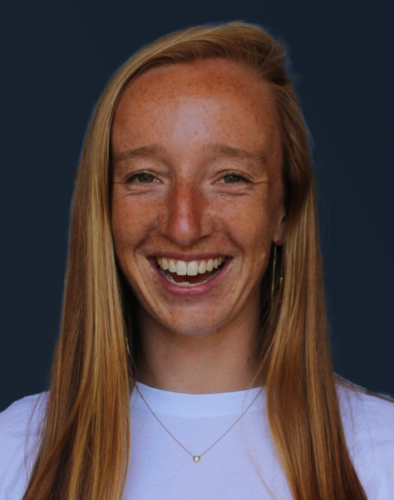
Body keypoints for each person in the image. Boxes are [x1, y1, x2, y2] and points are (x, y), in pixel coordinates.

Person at [0, 22, 393, 500]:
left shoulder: (380, 454)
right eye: (145, 176)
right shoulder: (17, 452)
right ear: (104, 208)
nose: (184, 225)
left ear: (284, 211)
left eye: (230, 178)